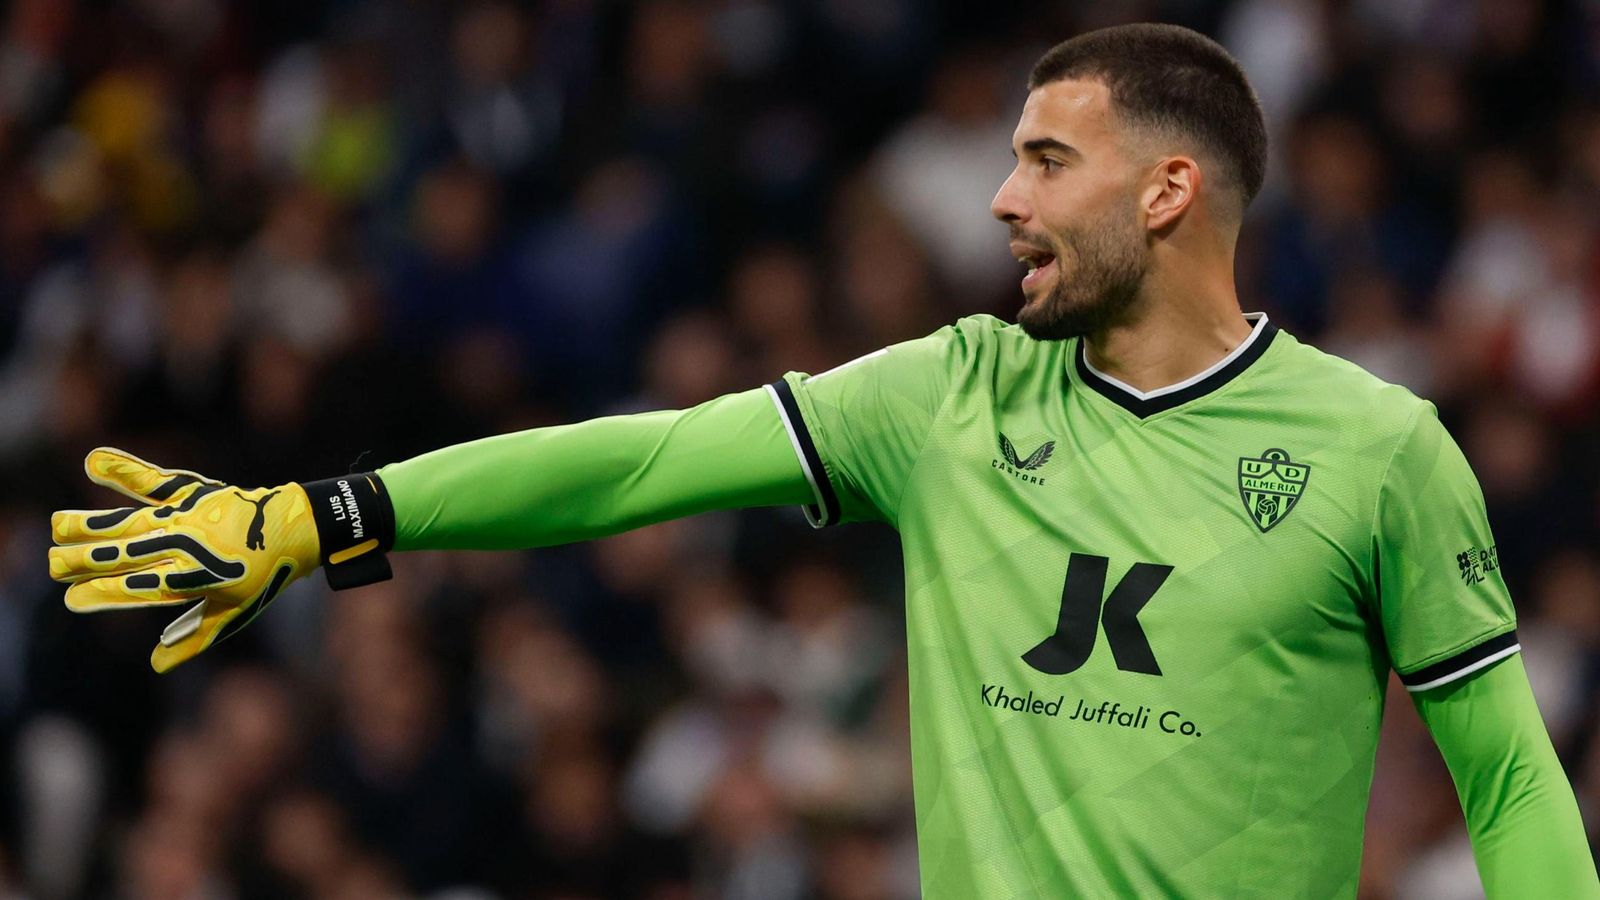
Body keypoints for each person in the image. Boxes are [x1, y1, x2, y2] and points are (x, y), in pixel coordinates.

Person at [48, 23, 1597, 898]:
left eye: (1047, 160)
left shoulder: (1377, 448)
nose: (1002, 199)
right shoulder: (950, 395)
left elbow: (1510, 774)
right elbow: (639, 465)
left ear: (1170, 191)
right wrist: (334, 511)